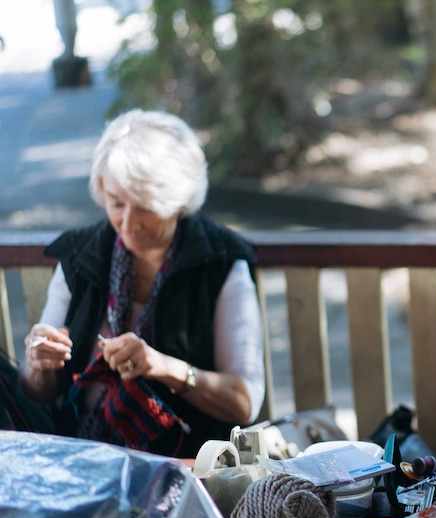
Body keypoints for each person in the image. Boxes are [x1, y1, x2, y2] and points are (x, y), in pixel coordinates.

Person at [20, 109, 265, 459]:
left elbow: (244, 402)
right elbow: (39, 391)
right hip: (82, 459)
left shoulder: (221, 264)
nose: (128, 223)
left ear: (178, 201)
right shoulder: (80, 257)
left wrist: (161, 366)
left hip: (187, 466)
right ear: (102, 190)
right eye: (116, 203)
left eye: (146, 207)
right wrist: (38, 361)